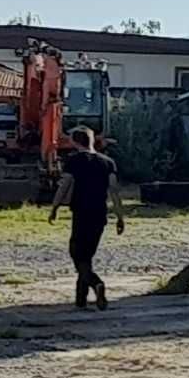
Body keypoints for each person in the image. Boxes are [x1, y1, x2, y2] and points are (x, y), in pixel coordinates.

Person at [62, 124, 117, 308]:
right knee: (87, 257)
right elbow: (114, 191)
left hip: (81, 213)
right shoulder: (108, 162)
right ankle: (80, 300)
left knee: (77, 254)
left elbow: (65, 185)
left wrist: (54, 206)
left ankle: (96, 283)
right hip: (100, 215)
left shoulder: (73, 161)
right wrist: (120, 216)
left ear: (75, 141)